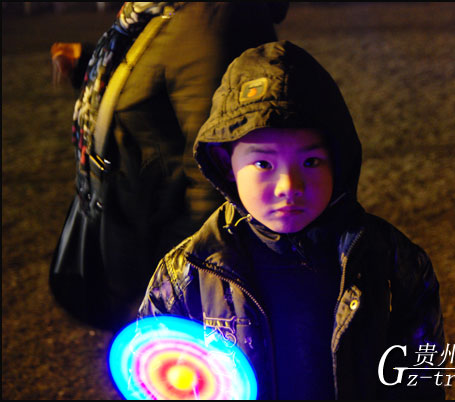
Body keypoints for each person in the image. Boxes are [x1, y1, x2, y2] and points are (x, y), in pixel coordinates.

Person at [138, 40, 445, 399]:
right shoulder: (187, 273)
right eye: (263, 164)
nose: (289, 187)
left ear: (338, 162)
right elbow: (157, 377)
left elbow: (420, 378)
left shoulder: (391, 260)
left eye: (310, 162)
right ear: (225, 163)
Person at [49, 2, 288, 331]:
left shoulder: (209, 19)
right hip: (138, 245)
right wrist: (90, 64)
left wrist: (180, 287)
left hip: (165, 263)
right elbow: (160, 84)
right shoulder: (163, 12)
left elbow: (214, 174)